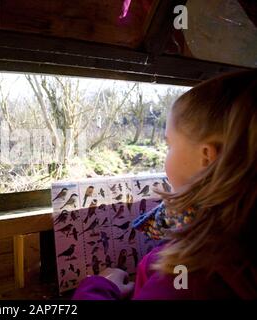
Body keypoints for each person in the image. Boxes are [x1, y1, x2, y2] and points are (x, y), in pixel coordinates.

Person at [73, 69, 257, 300]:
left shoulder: (187, 276)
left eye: (169, 144)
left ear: (206, 158)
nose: (165, 157)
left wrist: (97, 287)